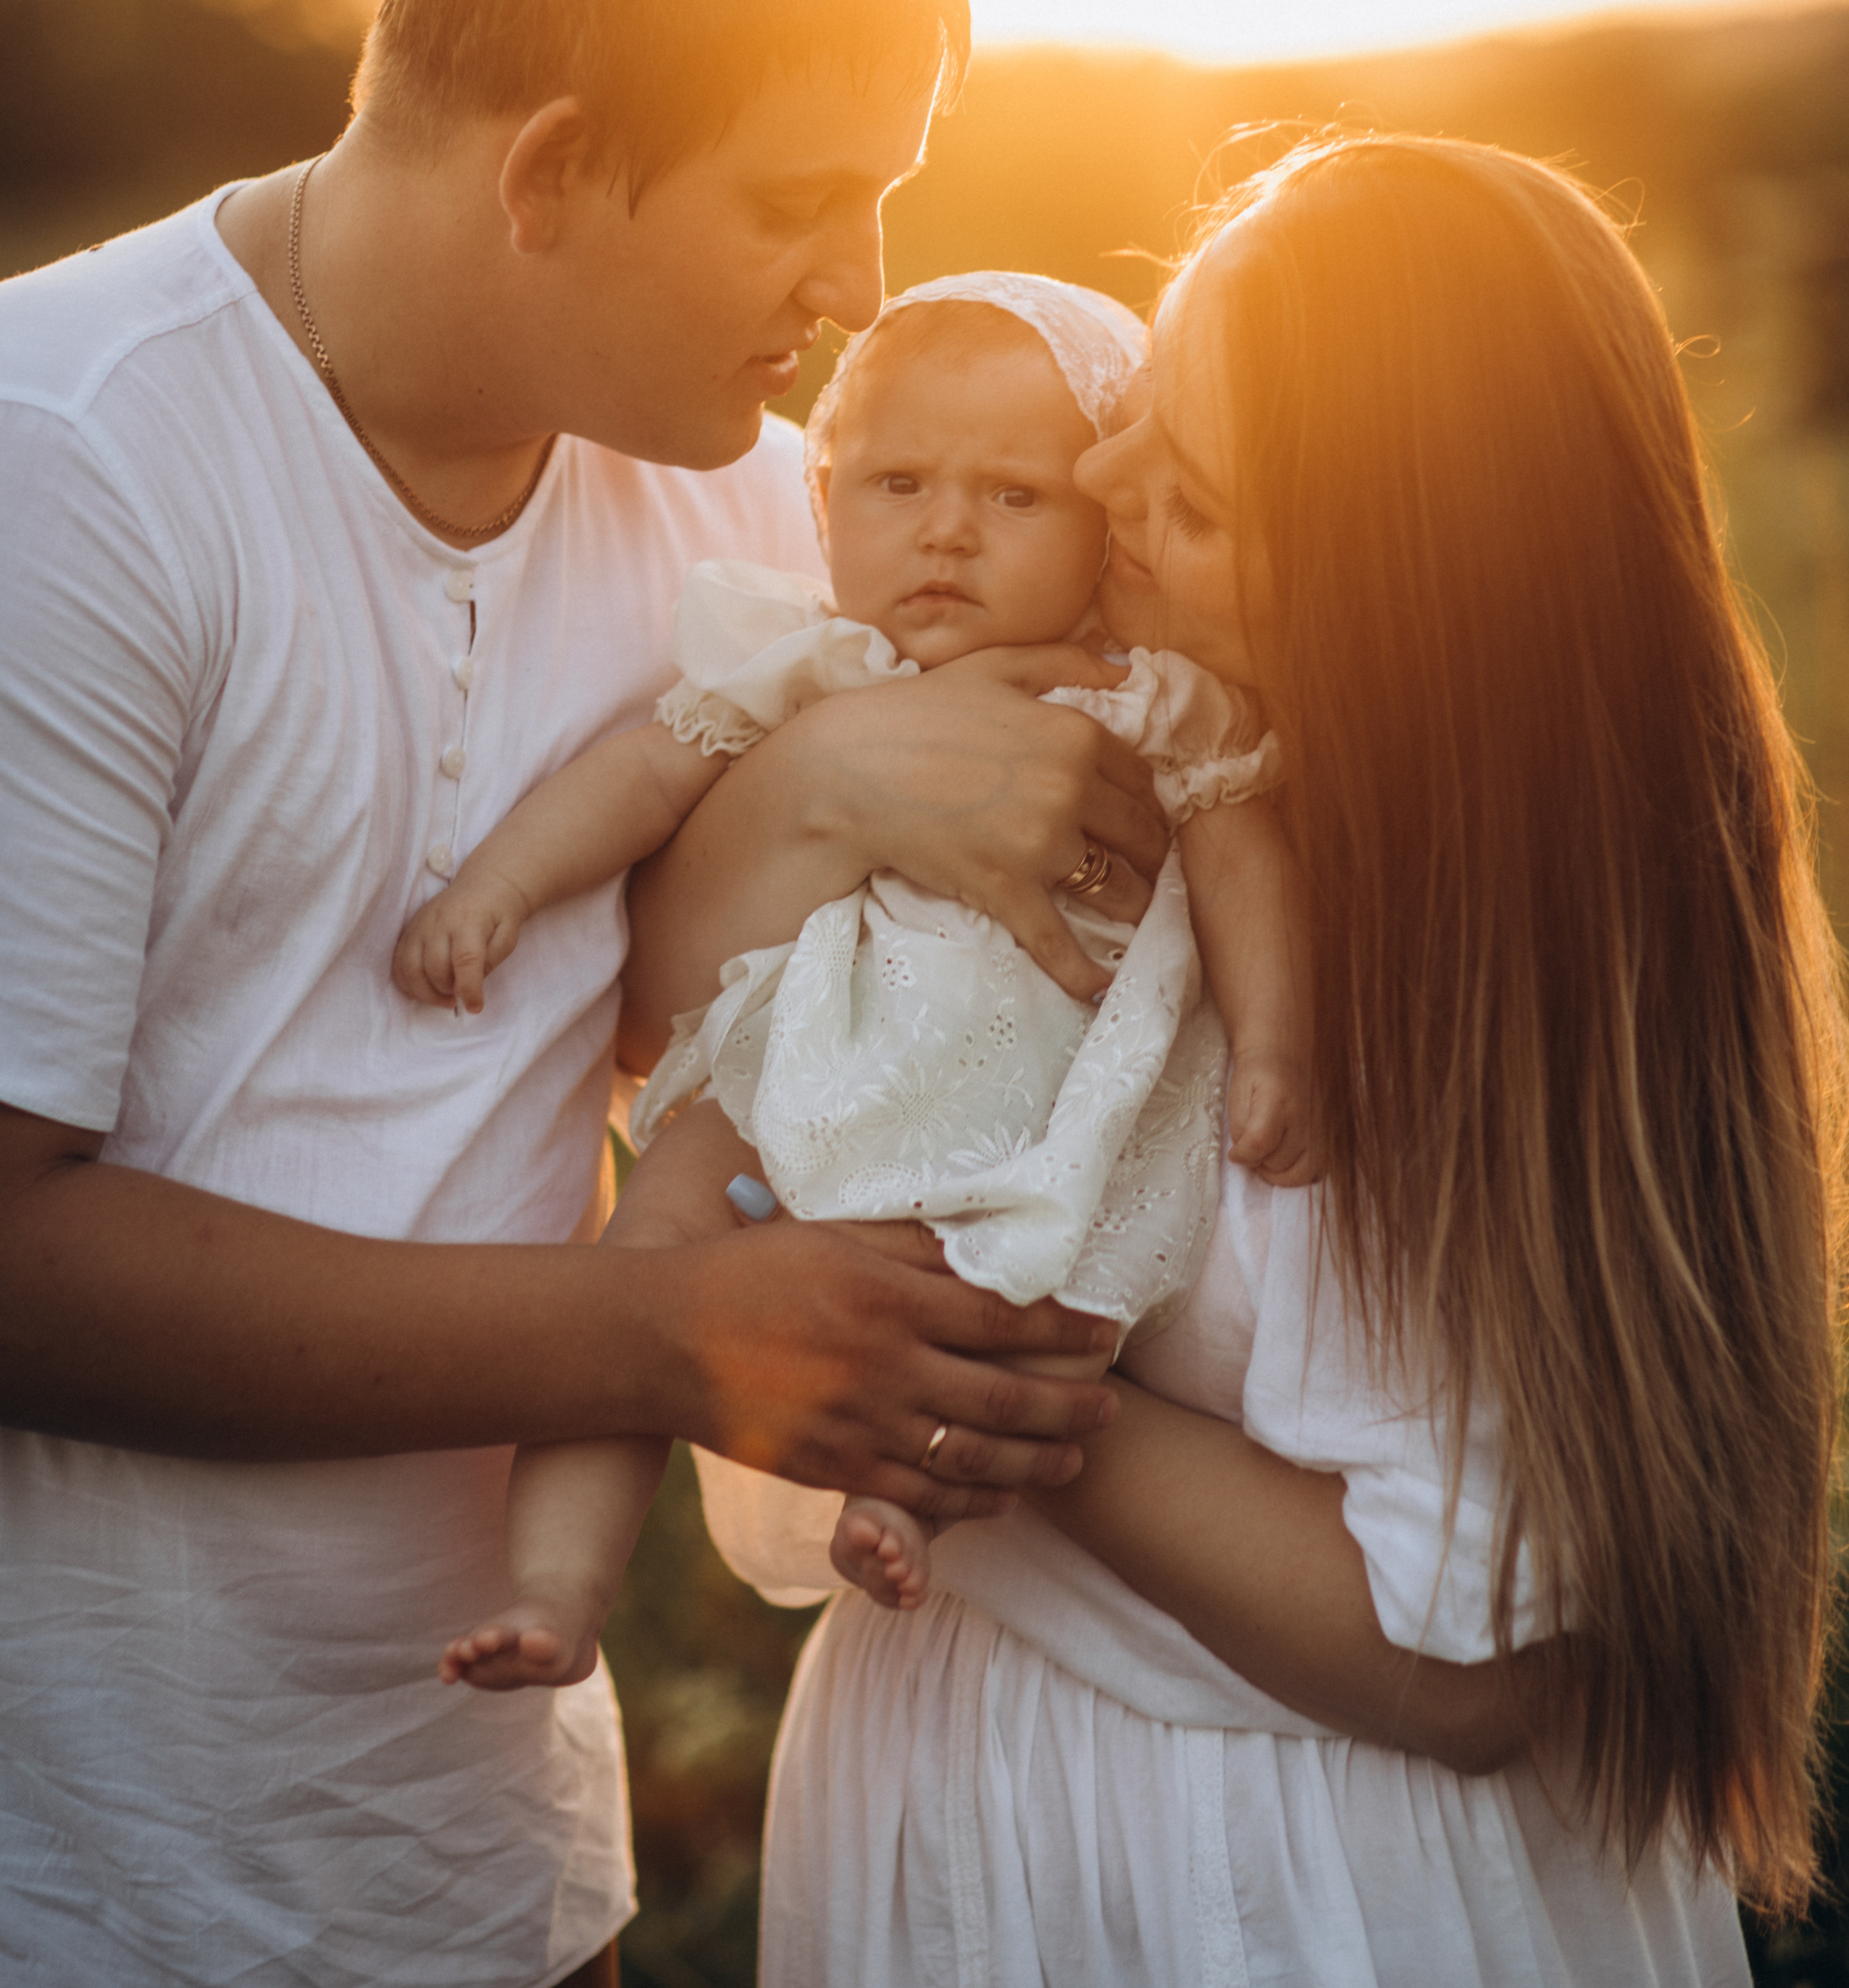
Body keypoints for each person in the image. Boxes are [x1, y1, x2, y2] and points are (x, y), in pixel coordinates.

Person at [0, 0, 1159, 1988]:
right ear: (547, 173)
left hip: (492, 1848)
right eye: (806, 202)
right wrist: (673, 1337)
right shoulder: (75, 468)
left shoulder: (732, 500)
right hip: (89, 1892)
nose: (860, 289)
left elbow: (687, 1015)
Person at [625, 135, 1849, 1988]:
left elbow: (1456, 1669)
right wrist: (815, 785)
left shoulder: (1461, 948)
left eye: (1180, 494)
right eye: (1136, 418)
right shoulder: (1099, 746)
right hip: (960, 1800)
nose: (1099, 484)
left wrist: (972, 1360)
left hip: (1287, 1914)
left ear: (1378, 594)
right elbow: (687, 1036)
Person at [396, 272, 1309, 1686]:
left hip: (1048, 1101)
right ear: (820, 498)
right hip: (801, 1064)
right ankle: (556, 1589)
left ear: (1105, 530)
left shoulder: (1139, 695)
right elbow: (646, 774)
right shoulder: (816, 663)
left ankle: (903, 1502)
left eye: (1013, 496)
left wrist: (1268, 1043)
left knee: (1041, 1314)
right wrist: (498, 887)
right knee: (637, 1279)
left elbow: (1237, 836)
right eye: (896, 482)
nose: (944, 529)